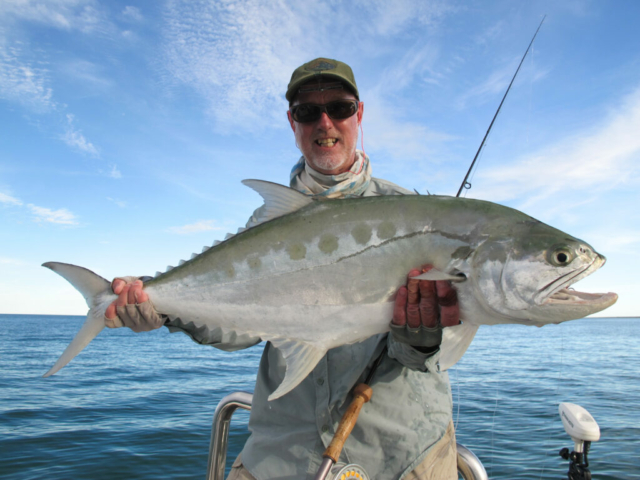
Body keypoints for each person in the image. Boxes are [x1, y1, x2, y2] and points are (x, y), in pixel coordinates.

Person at [105, 58, 460, 480]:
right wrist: (161, 307)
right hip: (283, 455)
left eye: (340, 108)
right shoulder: (267, 224)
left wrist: (421, 339)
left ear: (359, 115)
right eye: (308, 112)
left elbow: (444, 343)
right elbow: (240, 327)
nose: (325, 123)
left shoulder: (419, 215)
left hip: (404, 454)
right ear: (292, 123)